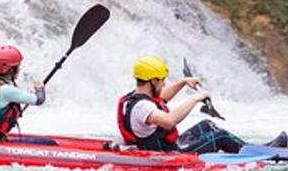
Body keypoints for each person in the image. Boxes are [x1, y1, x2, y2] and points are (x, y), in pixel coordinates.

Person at [116, 55, 272, 153]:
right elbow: (169, 121)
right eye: (162, 80)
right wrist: (196, 98)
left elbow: (162, 97)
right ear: (153, 81)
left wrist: (183, 82)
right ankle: (261, 154)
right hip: (167, 154)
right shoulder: (143, 107)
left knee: (206, 124)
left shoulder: (137, 96)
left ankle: (252, 147)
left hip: (167, 146)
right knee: (220, 136)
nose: (164, 84)